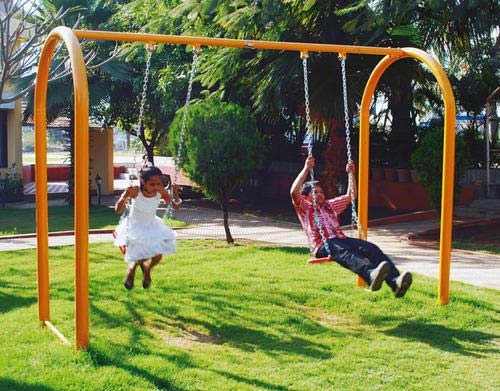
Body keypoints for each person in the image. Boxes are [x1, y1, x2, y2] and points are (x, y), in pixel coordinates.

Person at [290, 156, 412, 298]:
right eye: (315, 192)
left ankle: (395, 282)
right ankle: (371, 274)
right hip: (323, 244)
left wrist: (351, 174)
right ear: (305, 197)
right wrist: (306, 169)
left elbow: (350, 196)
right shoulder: (305, 207)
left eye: (322, 192)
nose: (320, 195)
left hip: (341, 239)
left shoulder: (329, 205)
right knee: (345, 251)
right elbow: (294, 192)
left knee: (371, 248)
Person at [114, 165, 180, 290]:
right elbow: (118, 209)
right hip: (135, 226)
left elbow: (175, 207)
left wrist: (175, 192)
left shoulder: (160, 191)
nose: (156, 187)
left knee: (157, 256)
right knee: (140, 256)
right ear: (143, 182)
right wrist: (126, 194)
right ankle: (131, 272)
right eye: (152, 184)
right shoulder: (136, 192)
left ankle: (147, 271)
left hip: (152, 225)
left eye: (159, 184)